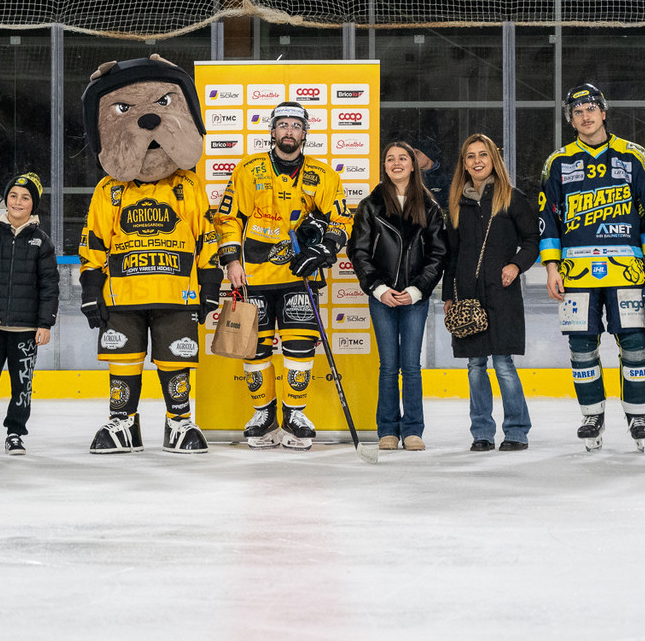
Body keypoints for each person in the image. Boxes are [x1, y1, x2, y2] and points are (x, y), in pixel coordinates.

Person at [79, 55, 221, 455]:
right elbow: (94, 242)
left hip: (177, 293)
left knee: (177, 359)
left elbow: (206, 238)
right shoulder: (109, 190)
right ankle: (123, 422)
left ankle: (179, 422)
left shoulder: (188, 185)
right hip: (122, 293)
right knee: (123, 359)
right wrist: (91, 289)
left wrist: (210, 287)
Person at [539, 83, 645, 451]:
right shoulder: (557, 163)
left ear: (603, 112)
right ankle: (592, 416)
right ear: (571, 120)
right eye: (577, 111)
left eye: (591, 109)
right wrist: (551, 267)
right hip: (576, 274)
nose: (585, 116)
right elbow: (548, 221)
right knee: (581, 347)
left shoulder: (636, 157)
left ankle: (637, 416)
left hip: (626, 271)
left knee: (635, 344)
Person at [215, 101, 353, 450]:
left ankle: (295, 414)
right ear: (272, 131)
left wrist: (324, 249)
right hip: (254, 275)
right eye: (283, 124)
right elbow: (229, 218)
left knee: (300, 346)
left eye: (296, 125)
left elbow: (341, 218)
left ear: (305, 133)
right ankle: (263, 415)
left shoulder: (323, 174)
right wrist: (232, 261)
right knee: (255, 349)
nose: (289, 130)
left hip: (299, 274)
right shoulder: (248, 169)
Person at [442, 134, 539, 452]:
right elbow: (452, 254)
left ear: (493, 159)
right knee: (475, 365)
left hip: (502, 293)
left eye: (482, 154)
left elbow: (532, 241)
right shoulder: (457, 203)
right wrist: (449, 295)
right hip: (467, 296)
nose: (477, 161)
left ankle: (517, 431)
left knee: (503, 363)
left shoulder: (512, 198)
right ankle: (482, 432)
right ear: (464, 163)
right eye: (470, 156)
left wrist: (516, 266)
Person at [348, 141, 448, 451]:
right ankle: (388, 430)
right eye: (390, 159)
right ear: (384, 166)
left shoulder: (430, 207)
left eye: (403, 158)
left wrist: (417, 289)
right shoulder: (370, 205)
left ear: (413, 165)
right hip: (383, 297)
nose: (396, 163)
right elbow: (358, 252)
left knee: (411, 366)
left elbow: (438, 255)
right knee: (389, 366)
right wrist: (378, 288)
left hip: (414, 299)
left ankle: (413, 430)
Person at [0, 173, 59, 456]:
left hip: (26, 330)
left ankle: (15, 432)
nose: (18, 201)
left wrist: (45, 324)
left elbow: (49, 286)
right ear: (6, 199)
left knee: (22, 386)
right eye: (14, 195)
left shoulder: (42, 242)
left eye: (25, 198)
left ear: (33, 205)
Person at [413, 137, 451, 211]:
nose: (413, 157)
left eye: (417, 153)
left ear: (428, 155)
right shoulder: (410, 175)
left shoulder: (446, 178)